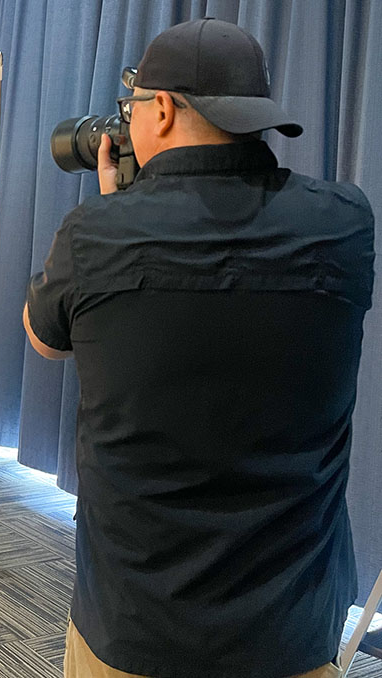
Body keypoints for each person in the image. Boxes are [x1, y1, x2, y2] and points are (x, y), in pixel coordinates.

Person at [24, 18, 374, 678]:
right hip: (292, 630)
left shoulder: (96, 235)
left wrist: (111, 217)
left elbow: (45, 340)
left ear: (161, 108)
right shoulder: (346, 222)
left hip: (135, 629)